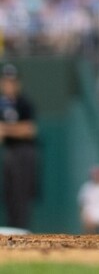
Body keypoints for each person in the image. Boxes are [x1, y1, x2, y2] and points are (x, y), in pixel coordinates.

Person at [0, 64, 39, 231]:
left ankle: (20, 231)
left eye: (12, 81)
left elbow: (30, 130)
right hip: (8, 153)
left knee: (21, 195)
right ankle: (11, 232)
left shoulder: (24, 103)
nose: (9, 85)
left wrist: (6, 129)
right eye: (6, 81)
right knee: (9, 195)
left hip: (24, 152)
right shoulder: (1, 103)